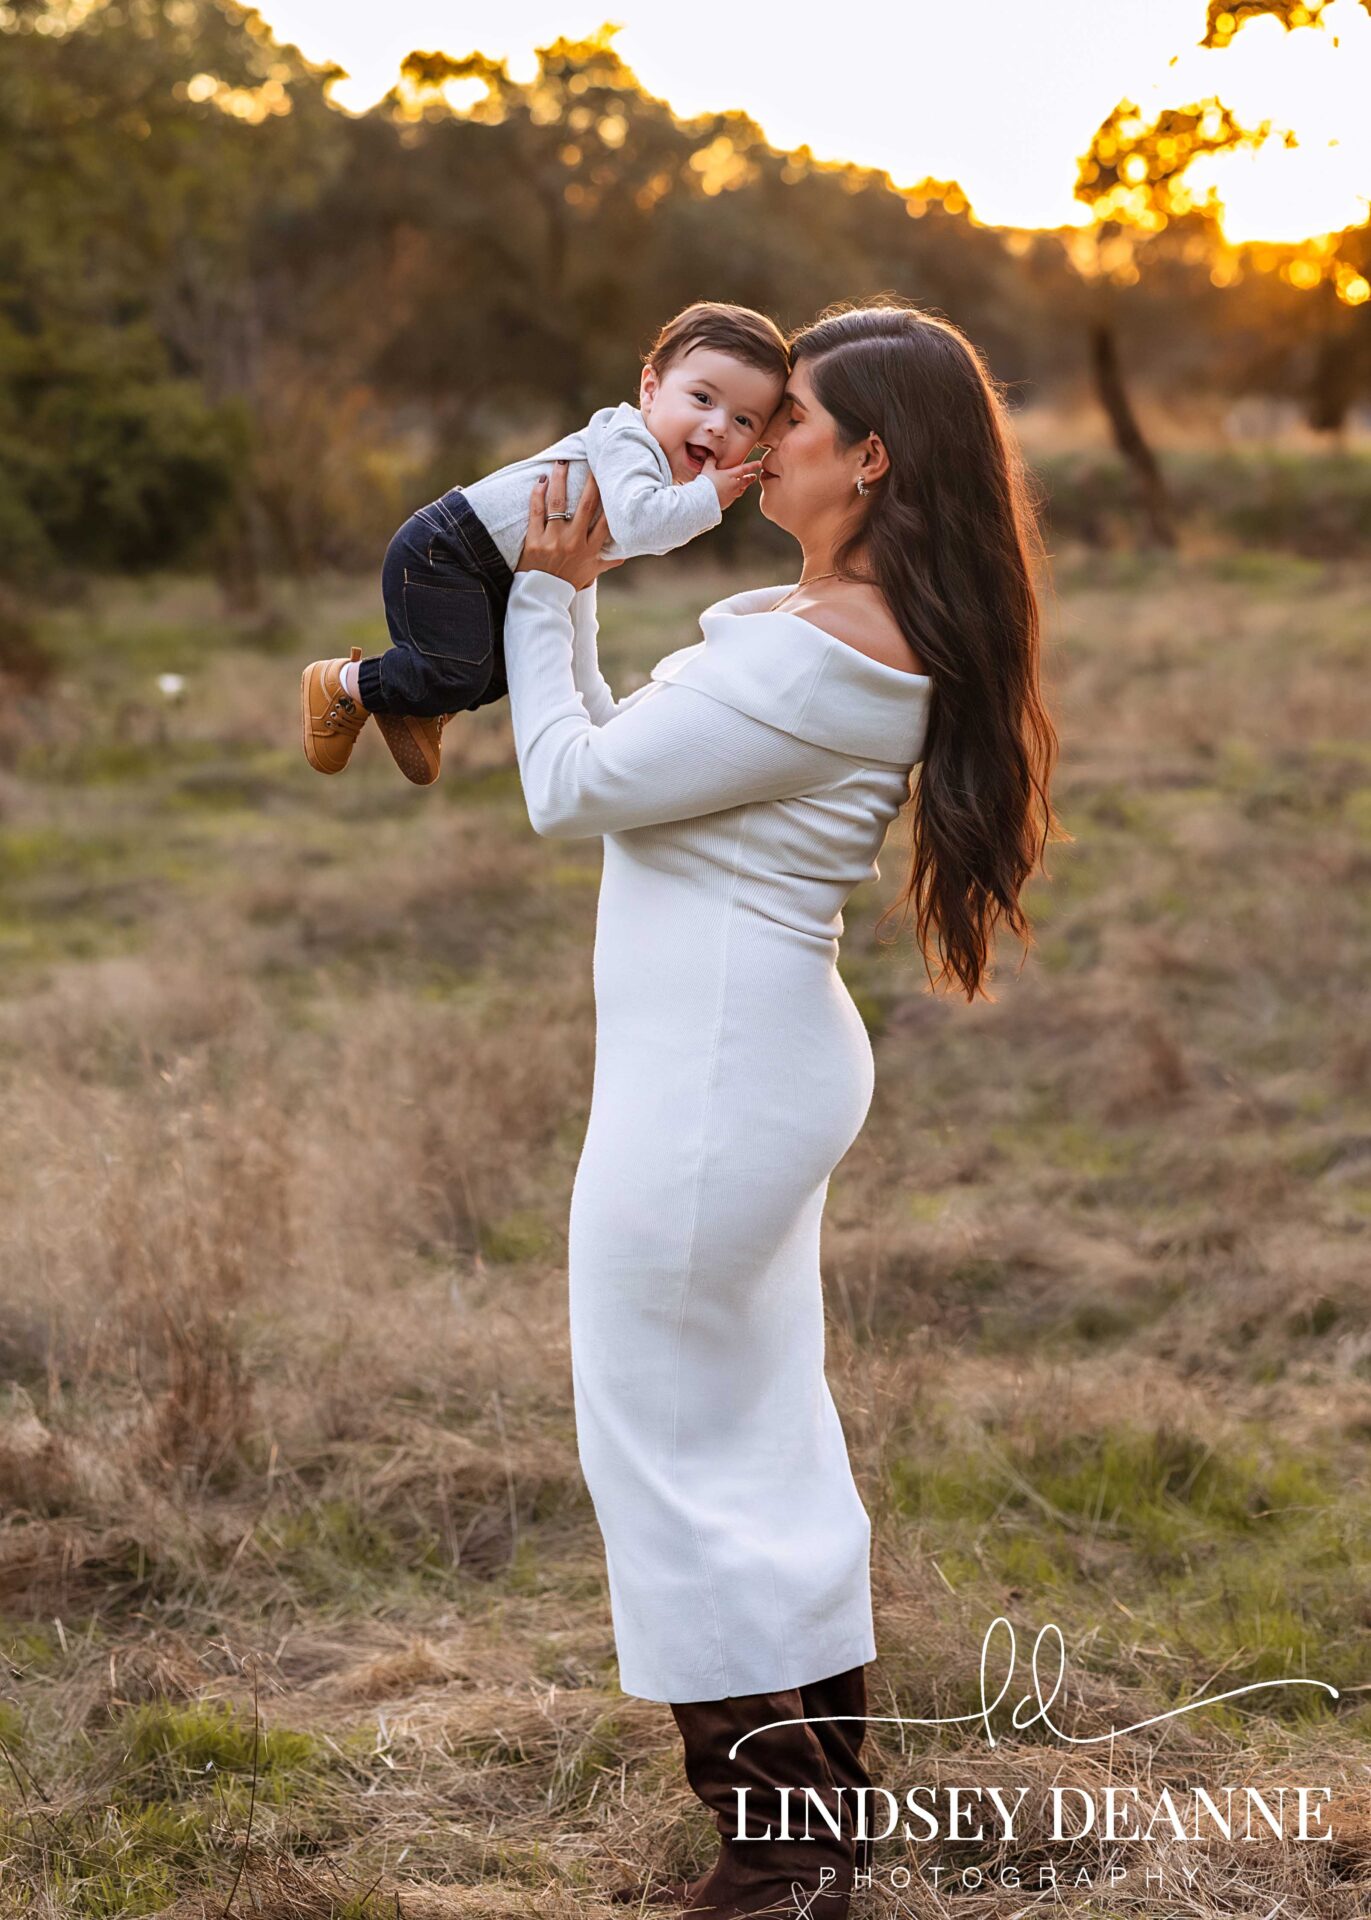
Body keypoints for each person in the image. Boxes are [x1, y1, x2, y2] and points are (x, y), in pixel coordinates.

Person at [498, 298, 1060, 1919]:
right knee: (752, 1430)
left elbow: (569, 787)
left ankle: (779, 1854)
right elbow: (628, 763)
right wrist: (581, 592)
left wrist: (542, 593)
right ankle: (824, 1814)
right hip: (735, 1069)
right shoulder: (820, 626)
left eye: (786, 418)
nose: (750, 444)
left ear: (868, 460)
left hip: (715, 1085)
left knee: (663, 1446)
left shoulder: (819, 652)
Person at [297, 301, 786, 786]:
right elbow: (642, 525)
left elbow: (574, 600)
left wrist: (596, 714)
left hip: (489, 567)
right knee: (460, 672)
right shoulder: (627, 441)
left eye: (744, 421)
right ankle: (345, 683)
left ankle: (419, 707)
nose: (719, 425)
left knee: (519, 663)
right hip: (448, 550)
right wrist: (708, 496)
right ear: (650, 390)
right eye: (702, 398)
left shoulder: (641, 479)